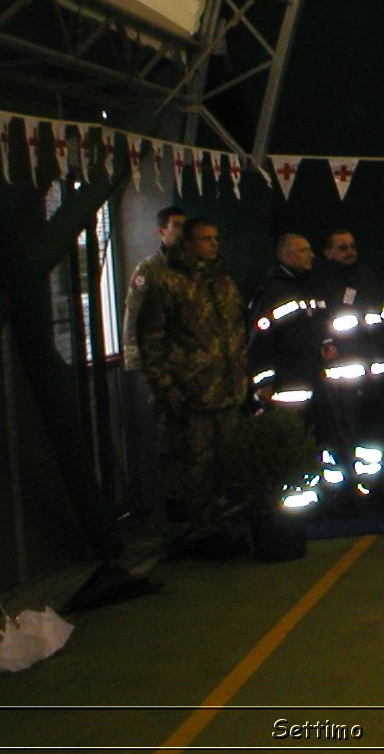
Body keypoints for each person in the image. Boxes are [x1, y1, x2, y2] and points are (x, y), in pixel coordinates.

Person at [135, 216, 249, 557]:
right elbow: (150, 341)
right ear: (187, 244)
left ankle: (222, 527)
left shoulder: (224, 282)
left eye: (215, 238)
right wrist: (167, 387)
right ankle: (202, 533)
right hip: (191, 394)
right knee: (194, 466)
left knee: (225, 463)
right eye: (204, 239)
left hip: (226, 390)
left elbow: (236, 332)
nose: (213, 245)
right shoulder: (167, 284)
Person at [246, 233, 358, 507]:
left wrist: (328, 343)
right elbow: (259, 341)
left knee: (325, 441)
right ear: (286, 256)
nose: (311, 255)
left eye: (310, 250)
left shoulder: (310, 286)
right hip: (289, 386)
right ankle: (296, 504)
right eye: (303, 251)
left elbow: (320, 325)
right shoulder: (273, 292)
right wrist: (264, 383)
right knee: (293, 444)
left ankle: (332, 498)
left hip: (316, 381)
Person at [310, 228, 384, 496]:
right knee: (340, 436)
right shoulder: (320, 281)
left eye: (352, 246)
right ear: (328, 252)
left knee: (372, 435)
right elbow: (320, 324)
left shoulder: (366, 275)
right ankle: (341, 493)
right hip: (340, 377)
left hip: (372, 373)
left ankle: (372, 486)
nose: (350, 252)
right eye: (342, 247)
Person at [119, 205, 185, 518]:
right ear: (162, 230)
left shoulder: (196, 269)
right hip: (161, 369)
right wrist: (138, 364)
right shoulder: (151, 270)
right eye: (176, 226)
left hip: (194, 370)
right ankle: (165, 511)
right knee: (165, 440)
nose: (182, 232)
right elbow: (134, 319)